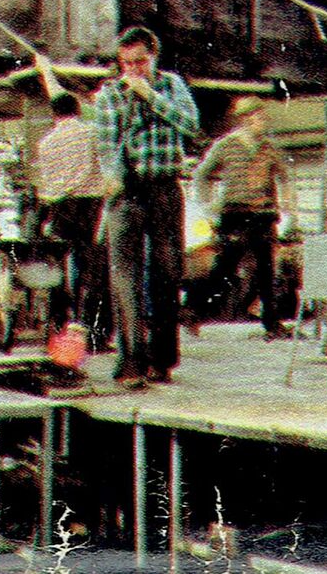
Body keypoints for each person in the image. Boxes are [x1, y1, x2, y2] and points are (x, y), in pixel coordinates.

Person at [92, 27, 200, 387]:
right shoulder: (109, 94)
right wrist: (112, 178)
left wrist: (150, 96)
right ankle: (131, 360)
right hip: (128, 190)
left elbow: (191, 125)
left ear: (154, 56)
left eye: (140, 61)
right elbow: (106, 146)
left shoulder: (171, 85)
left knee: (167, 272)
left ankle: (162, 359)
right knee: (125, 276)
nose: (133, 69)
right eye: (126, 63)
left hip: (165, 187)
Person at [192, 97, 295, 338]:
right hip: (234, 215)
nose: (264, 121)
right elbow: (202, 174)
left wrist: (288, 199)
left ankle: (272, 324)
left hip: (263, 216)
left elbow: (285, 176)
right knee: (224, 270)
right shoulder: (226, 145)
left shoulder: (269, 148)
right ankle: (192, 312)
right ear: (246, 119)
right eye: (260, 116)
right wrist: (207, 205)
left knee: (266, 271)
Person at [33, 51, 112, 349]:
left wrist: (45, 72)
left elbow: (46, 182)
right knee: (95, 271)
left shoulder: (45, 144)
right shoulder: (92, 134)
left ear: (54, 115)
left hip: (59, 208)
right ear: (78, 110)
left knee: (61, 271)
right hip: (90, 207)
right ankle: (95, 334)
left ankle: (58, 327)